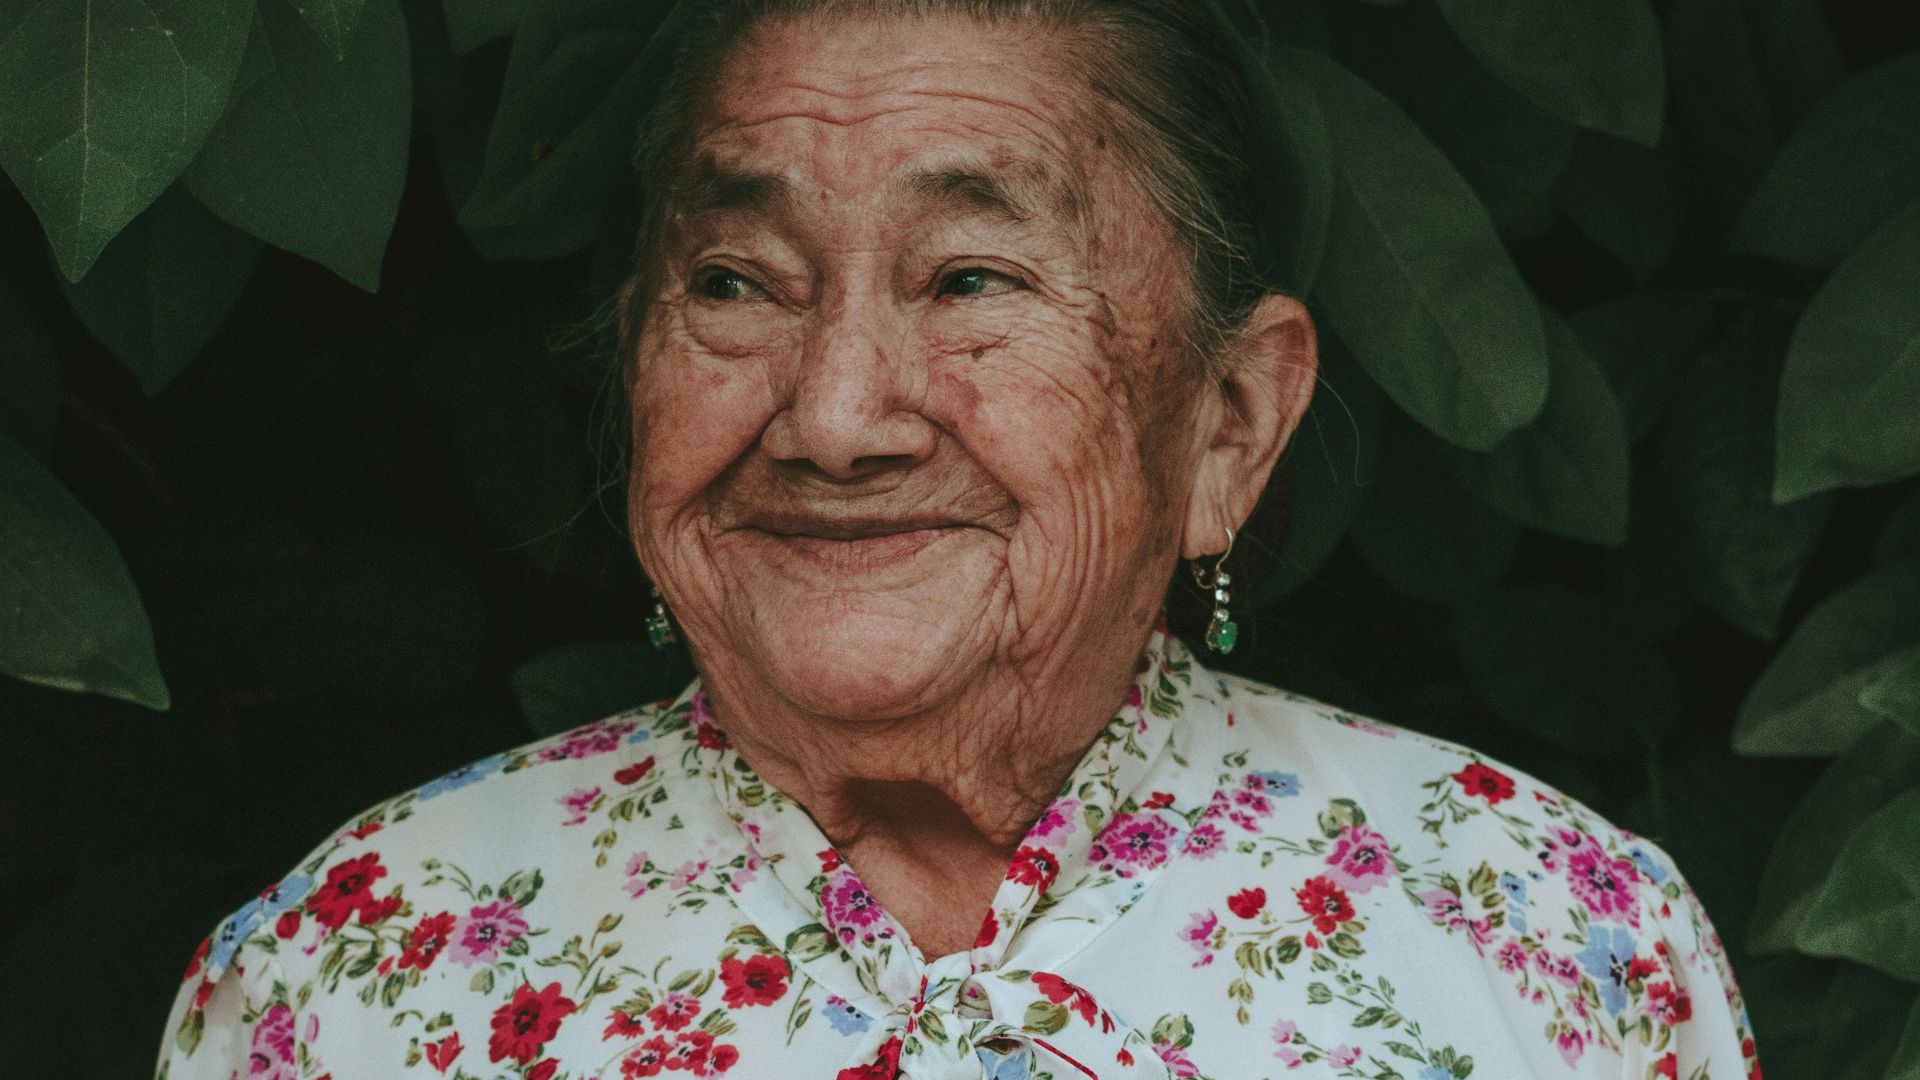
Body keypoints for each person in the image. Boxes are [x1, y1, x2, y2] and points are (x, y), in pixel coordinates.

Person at [156, 2, 1760, 1077]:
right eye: (736, 283)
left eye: (971, 280)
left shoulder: (1554, 937)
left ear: (1225, 425)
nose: (836, 414)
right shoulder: (352, 968)